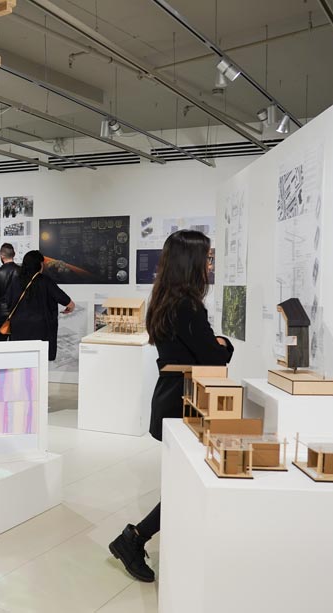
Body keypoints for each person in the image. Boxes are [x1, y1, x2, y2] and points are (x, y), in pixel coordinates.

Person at [108, 230, 233, 583]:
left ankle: (134, 538)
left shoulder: (164, 300)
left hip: (171, 398)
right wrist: (224, 346)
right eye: (207, 258)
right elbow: (212, 354)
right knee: (185, 483)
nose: (210, 265)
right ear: (191, 263)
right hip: (186, 403)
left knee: (183, 481)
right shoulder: (189, 307)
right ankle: (133, 538)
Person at [4, 250, 75, 360]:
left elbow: (7, 301)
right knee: (39, 361)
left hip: (18, 327)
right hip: (40, 329)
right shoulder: (45, 281)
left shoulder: (15, 280)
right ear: (40, 264)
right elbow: (65, 300)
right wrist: (70, 307)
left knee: (20, 359)